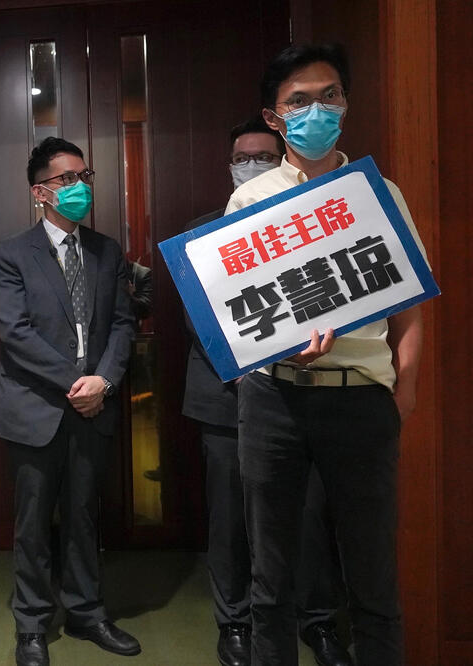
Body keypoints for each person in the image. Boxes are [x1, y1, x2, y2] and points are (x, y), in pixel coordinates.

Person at [226, 44, 427, 666]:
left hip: (362, 400)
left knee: (373, 577)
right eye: (299, 101)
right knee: (271, 580)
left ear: (346, 102)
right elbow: (235, 315)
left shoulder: (379, 192)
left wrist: (405, 391)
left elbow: (412, 306)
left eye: (330, 95)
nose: (318, 110)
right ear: (273, 116)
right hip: (273, 400)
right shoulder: (250, 201)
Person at [183, 117, 351, 666]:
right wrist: (255, 362)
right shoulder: (205, 233)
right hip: (226, 399)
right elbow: (202, 323)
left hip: (300, 397)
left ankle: (319, 621)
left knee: (307, 513)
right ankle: (233, 624)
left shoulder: (309, 226)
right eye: (241, 156)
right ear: (229, 164)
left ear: (280, 157)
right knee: (230, 521)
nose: (249, 164)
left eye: (261, 155)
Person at [0, 137, 140, 666]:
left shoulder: (106, 251)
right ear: (40, 192)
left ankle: (87, 612)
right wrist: (78, 381)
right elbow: (16, 332)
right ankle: (31, 624)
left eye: (85, 176)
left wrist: (104, 381)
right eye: (66, 179)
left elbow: (123, 325)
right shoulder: (10, 254)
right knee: (32, 523)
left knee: (83, 516)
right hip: (35, 408)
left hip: (94, 404)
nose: (79, 187)